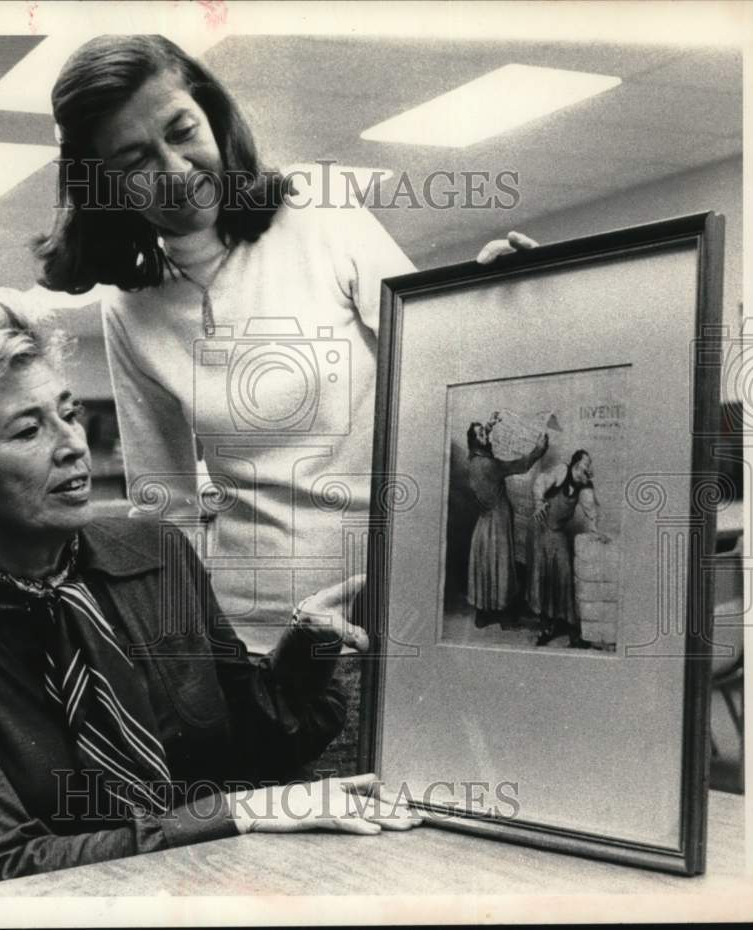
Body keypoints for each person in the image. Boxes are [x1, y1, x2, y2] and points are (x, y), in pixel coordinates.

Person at [0, 295, 421, 890]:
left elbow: (253, 748)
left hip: (216, 892)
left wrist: (308, 647)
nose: (73, 444)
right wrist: (237, 812)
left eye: (67, 413)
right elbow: (3, 866)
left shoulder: (155, 552)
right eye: (27, 429)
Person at [32, 34, 535, 651]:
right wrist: (191, 652)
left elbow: (444, 361)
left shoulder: (315, 212)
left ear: (212, 115)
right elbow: (167, 508)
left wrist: (498, 302)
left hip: (401, 598)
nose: (175, 171)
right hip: (258, 632)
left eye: (182, 130)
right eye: (135, 161)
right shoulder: (129, 307)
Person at [465, 414, 548, 629]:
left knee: (485, 565)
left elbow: (485, 443)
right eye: (481, 433)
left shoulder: (473, 460)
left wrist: (489, 426)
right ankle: (505, 616)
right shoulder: (489, 465)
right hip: (497, 521)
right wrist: (539, 449)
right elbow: (519, 466)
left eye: (484, 431)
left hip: (483, 523)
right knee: (502, 565)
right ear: (476, 440)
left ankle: (483, 614)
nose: (485, 435)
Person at [527, 449, 605, 648]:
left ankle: (572, 632)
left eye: (586, 470)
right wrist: (538, 502)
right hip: (540, 529)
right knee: (542, 577)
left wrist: (596, 532)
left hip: (557, 532)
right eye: (580, 467)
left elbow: (591, 513)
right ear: (574, 464)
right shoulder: (561, 472)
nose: (582, 473)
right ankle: (547, 627)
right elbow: (541, 482)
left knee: (564, 575)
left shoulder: (584, 487)